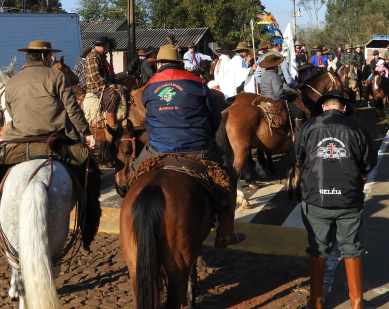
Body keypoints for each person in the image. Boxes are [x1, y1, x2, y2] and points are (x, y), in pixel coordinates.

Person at [136, 45, 245, 248]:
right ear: (179, 63)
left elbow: (149, 118)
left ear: (158, 64)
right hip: (197, 146)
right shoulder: (197, 82)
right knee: (228, 177)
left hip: (158, 147)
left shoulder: (149, 86)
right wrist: (207, 135)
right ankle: (226, 233)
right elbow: (214, 117)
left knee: (131, 175)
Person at [0, 40, 98, 220]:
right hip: (56, 137)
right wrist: (86, 133)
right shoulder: (56, 76)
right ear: (43, 56)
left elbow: (12, 113)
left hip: (19, 138)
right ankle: (86, 218)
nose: (51, 59)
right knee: (91, 169)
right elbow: (72, 109)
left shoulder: (12, 82)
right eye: (50, 56)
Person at [295, 90, 378, 309]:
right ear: (343, 108)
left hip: (316, 196)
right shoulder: (357, 128)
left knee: (318, 246)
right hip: (349, 196)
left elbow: (298, 158)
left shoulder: (307, 127)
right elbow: (369, 162)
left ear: (323, 106)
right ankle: (357, 302)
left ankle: (315, 301)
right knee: (351, 245)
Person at [258, 53, 306, 131]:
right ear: (275, 65)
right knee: (299, 112)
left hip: (264, 99)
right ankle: (298, 136)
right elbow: (278, 92)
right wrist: (285, 96)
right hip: (275, 100)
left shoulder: (264, 75)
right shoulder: (275, 75)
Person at [85, 36, 122, 131]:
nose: (109, 47)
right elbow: (95, 76)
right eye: (107, 45)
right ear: (102, 45)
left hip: (103, 85)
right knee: (110, 98)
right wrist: (108, 84)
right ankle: (111, 126)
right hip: (96, 88)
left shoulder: (100, 56)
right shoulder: (93, 56)